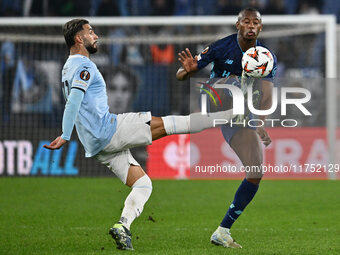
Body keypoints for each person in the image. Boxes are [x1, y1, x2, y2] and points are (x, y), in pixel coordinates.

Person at [43, 18, 237, 251]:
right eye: (90, 32)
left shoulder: (68, 66)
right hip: (109, 130)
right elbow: (74, 100)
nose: (95, 36)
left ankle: (122, 226)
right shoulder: (84, 66)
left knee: (143, 184)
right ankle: (231, 115)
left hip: (94, 144)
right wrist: (65, 134)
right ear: (78, 38)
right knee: (173, 124)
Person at [176, 7, 277, 248]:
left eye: (255, 22)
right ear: (238, 25)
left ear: (260, 28)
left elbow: (267, 93)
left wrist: (260, 123)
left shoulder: (265, 56)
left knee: (256, 173)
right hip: (214, 99)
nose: (251, 26)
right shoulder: (222, 46)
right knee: (233, 81)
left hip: (239, 115)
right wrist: (186, 72)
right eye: (246, 22)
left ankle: (222, 231)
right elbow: (183, 73)